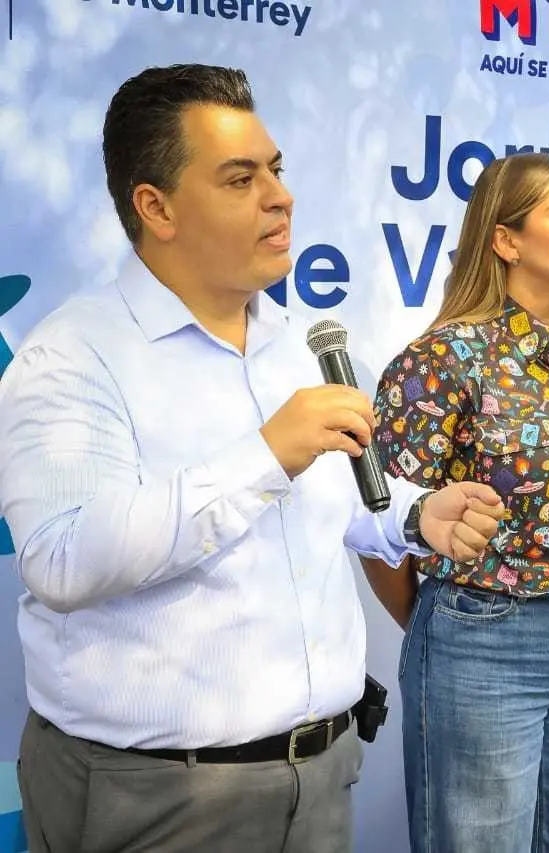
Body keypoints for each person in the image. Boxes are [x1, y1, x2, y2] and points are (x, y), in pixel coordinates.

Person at [0, 64, 504, 853]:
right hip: (162, 798)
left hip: (322, 776)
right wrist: (267, 453)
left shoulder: (297, 341)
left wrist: (410, 514)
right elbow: (61, 558)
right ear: (155, 206)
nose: (280, 196)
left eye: (276, 169)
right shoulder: (74, 355)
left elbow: (326, 499)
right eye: (240, 178)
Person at [365, 152, 549, 853]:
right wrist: (447, 624)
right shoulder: (442, 359)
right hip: (481, 638)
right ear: (506, 239)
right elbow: (379, 522)